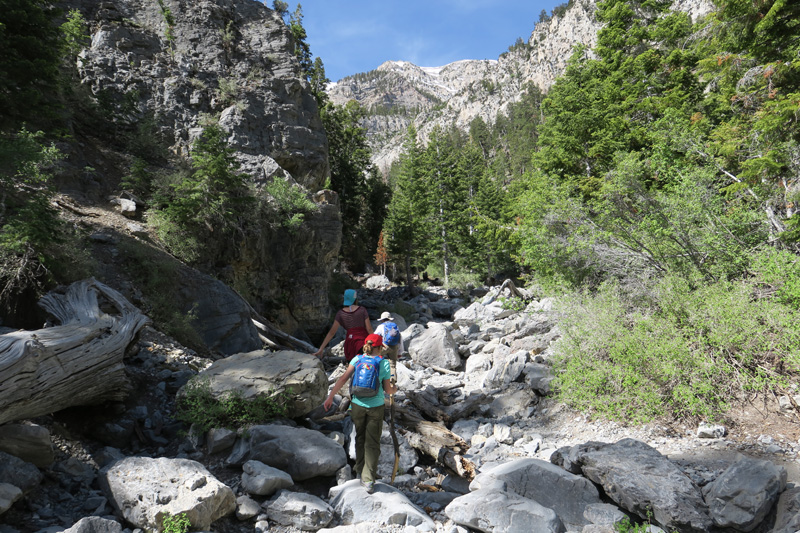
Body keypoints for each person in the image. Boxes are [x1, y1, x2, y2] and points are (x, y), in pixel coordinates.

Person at [323, 333, 398, 493]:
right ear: (379, 348)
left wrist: (330, 397)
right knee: (372, 443)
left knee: (359, 437)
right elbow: (388, 389)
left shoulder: (357, 360)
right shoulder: (383, 363)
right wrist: (394, 388)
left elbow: (343, 379)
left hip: (356, 405)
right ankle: (368, 480)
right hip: (375, 407)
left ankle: (359, 470)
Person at [314, 289, 373, 362]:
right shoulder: (362, 310)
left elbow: (332, 332)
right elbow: (369, 329)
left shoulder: (340, 314)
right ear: (355, 299)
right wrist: (375, 342)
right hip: (363, 342)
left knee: (353, 366)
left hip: (350, 344)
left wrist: (321, 348)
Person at [374, 311, 404, 383]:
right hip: (394, 347)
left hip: (384, 346)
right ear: (390, 319)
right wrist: (400, 352)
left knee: (376, 359)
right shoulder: (395, 326)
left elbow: (375, 336)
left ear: (382, 320)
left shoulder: (381, 326)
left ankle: (378, 378)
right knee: (393, 364)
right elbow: (400, 339)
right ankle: (392, 382)